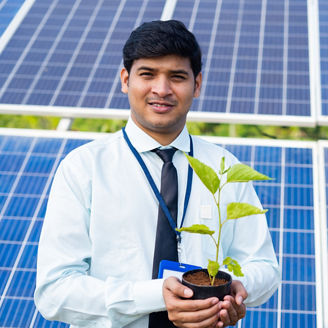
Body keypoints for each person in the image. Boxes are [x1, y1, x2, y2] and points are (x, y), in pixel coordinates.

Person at [34, 20, 280, 328]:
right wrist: (152, 295)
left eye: (177, 77)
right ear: (125, 79)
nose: (161, 90)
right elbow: (54, 291)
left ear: (198, 84)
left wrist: (235, 289)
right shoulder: (84, 168)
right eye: (147, 74)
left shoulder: (225, 168)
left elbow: (264, 266)